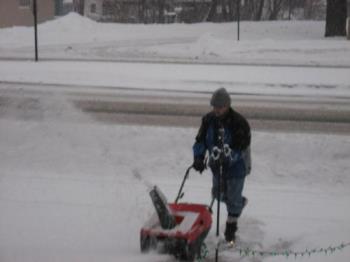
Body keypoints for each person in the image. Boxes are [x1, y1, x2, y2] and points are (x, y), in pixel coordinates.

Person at [192, 87, 251, 243]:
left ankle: (231, 229)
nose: (217, 110)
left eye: (220, 107)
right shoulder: (208, 120)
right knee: (217, 194)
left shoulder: (239, 122)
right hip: (216, 165)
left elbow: (241, 147)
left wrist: (229, 157)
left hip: (237, 166)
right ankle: (238, 203)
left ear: (227, 106)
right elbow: (200, 141)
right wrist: (198, 157)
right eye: (215, 107)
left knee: (232, 197)